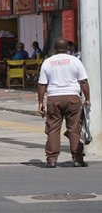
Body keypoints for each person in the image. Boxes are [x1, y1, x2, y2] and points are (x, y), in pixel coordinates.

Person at [37, 38, 90, 168]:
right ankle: (77, 159)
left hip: (54, 98)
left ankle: (52, 159)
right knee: (74, 128)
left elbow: (42, 84)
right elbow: (83, 81)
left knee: (53, 129)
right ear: (67, 48)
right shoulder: (75, 61)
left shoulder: (48, 62)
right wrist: (87, 98)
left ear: (54, 49)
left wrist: (40, 102)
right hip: (72, 98)